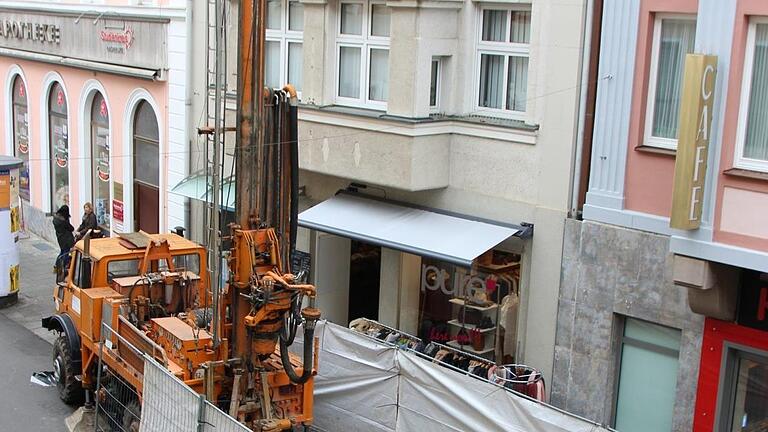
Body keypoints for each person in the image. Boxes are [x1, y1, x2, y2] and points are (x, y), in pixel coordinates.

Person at [52, 205, 75, 274]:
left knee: (62, 252)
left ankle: (56, 266)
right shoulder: (63, 221)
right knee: (65, 253)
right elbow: (71, 228)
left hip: (60, 238)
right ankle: (63, 267)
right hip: (66, 239)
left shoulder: (56, 219)